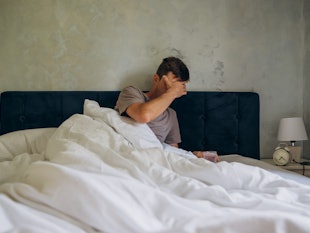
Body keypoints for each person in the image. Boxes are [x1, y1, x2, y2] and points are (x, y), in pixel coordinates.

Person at [115, 57, 219, 162]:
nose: (175, 90)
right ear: (156, 79)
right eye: (172, 85)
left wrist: (191, 155)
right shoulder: (132, 93)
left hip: (153, 158)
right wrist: (172, 92)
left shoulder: (171, 115)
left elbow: (172, 152)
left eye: (179, 87)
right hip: (127, 152)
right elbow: (144, 116)